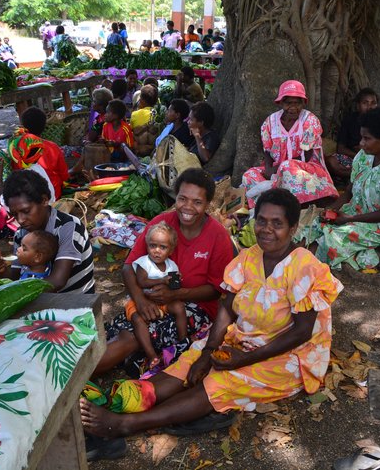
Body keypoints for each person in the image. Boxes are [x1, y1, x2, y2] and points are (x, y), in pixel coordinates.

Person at [80, 188, 342, 452]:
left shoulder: (305, 267)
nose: (266, 229)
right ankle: (114, 403)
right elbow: (227, 308)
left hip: (289, 356)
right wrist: (207, 352)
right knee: (188, 363)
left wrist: (244, 359)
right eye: (261, 220)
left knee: (220, 381)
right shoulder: (249, 258)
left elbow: (301, 332)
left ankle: (124, 425)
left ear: (293, 227)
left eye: (277, 223)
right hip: (245, 339)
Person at [95, 168, 235, 377]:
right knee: (114, 330)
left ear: (208, 205)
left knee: (131, 337)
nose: (188, 207)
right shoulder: (161, 224)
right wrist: (141, 301)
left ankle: (72, 381)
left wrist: (175, 295)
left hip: (195, 308)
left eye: (197, 202)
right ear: (175, 197)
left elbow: (215, 291)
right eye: (182, 199)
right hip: (151, 299)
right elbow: (128, 267)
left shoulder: (218, 237)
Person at [297, 107, 380, 270]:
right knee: (316, 224)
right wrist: (330, 210)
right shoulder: (364, 156)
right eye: (362, 138)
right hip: (359, 212)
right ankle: (295, 260)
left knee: (335, 237)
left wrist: (349, 219)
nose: (361, 143)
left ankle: (303, 267)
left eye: (366, 139)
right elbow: (349, 191)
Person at [0, 170, 95, 293]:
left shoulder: (69, 227)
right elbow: (16, 277)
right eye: (14, 214)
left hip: (74, 303)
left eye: (26, 211)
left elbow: (57, 281)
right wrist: (1, 270)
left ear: (44, 200)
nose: (20, 220)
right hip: (41, 297)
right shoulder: (21, 233)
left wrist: (18, 294)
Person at [242, 80, 338, 207]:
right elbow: (268, 151)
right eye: (288, 103)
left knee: (287, 167)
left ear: (303, 103)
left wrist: (278, 169)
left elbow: (306, 156)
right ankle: (270, 202)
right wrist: (270, 169)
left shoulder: (310, 121)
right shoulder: (270, 122)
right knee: (249, 175)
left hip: (306, 170)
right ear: (281, 103)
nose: (293, 108)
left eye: (297, 103)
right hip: (277, 171)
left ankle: (276, 194)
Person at [126, 222, 187, 368]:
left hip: (161, 302)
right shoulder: (144, 262)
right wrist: (163, 280)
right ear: (147, 245)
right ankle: (151, 355)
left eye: (163, 247)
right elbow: (142, 282)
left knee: (179, 306)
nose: (157, 251)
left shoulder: (172, 266)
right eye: (153, 246)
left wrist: (176, 282)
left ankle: (183, 340)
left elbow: (173, 289)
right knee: (137, 320)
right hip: (140, 301)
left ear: (171, 250)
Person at [325, 88, 378, 183]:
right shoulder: (349, 121)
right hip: (353, 158)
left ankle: (360, 176)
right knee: (331, 161)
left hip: (376, 159)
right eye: (365, 103)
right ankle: (361, 175)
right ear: (358, 105)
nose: (369, 107)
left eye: (373, 103)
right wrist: (359, 156)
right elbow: (340, 148)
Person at [19, 107, 69, 199]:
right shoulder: (53, 147)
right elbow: (64, 175)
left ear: (23, 127)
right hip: (53, 193)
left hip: (28, 197)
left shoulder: (16, 150)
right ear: (44, 126)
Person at [131, 85, 159, 157]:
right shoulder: (159, 113)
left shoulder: (135, 114)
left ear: (142, 101)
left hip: (139, 150)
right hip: (154, 151)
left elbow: (132, 130)